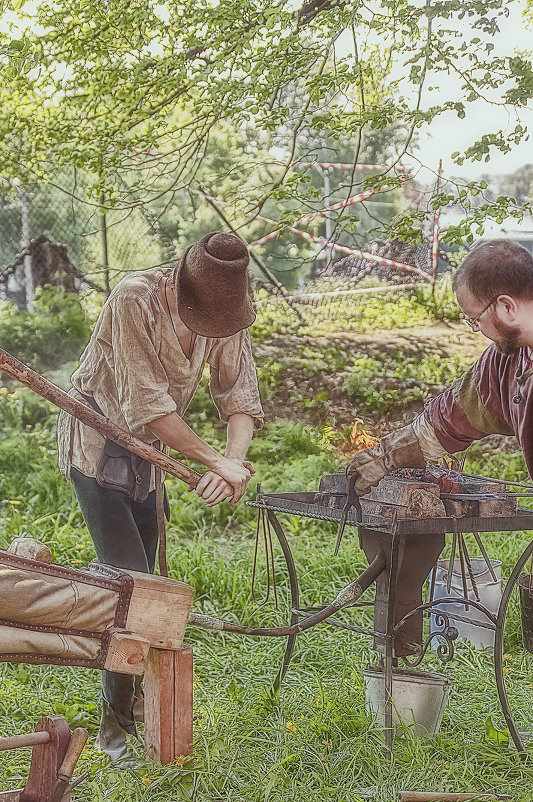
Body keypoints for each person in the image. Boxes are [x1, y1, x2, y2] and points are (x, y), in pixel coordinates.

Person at [57, 231, 264, 762]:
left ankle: (144, 709)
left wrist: (233, 463)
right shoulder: (134, 299)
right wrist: (211, 460)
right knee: (130, 586)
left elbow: (239, 396)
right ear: (176, 284)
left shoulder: (226, 309)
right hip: (101, 442)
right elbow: (145, 407)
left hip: (152, 453)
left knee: (150, 585)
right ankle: (114, 729)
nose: (210, 330)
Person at [347, 238, 533, 494]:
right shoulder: (505, 361)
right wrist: (384, 457)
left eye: (475, 320)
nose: (476, 330)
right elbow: (450, 418)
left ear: (506, 307)